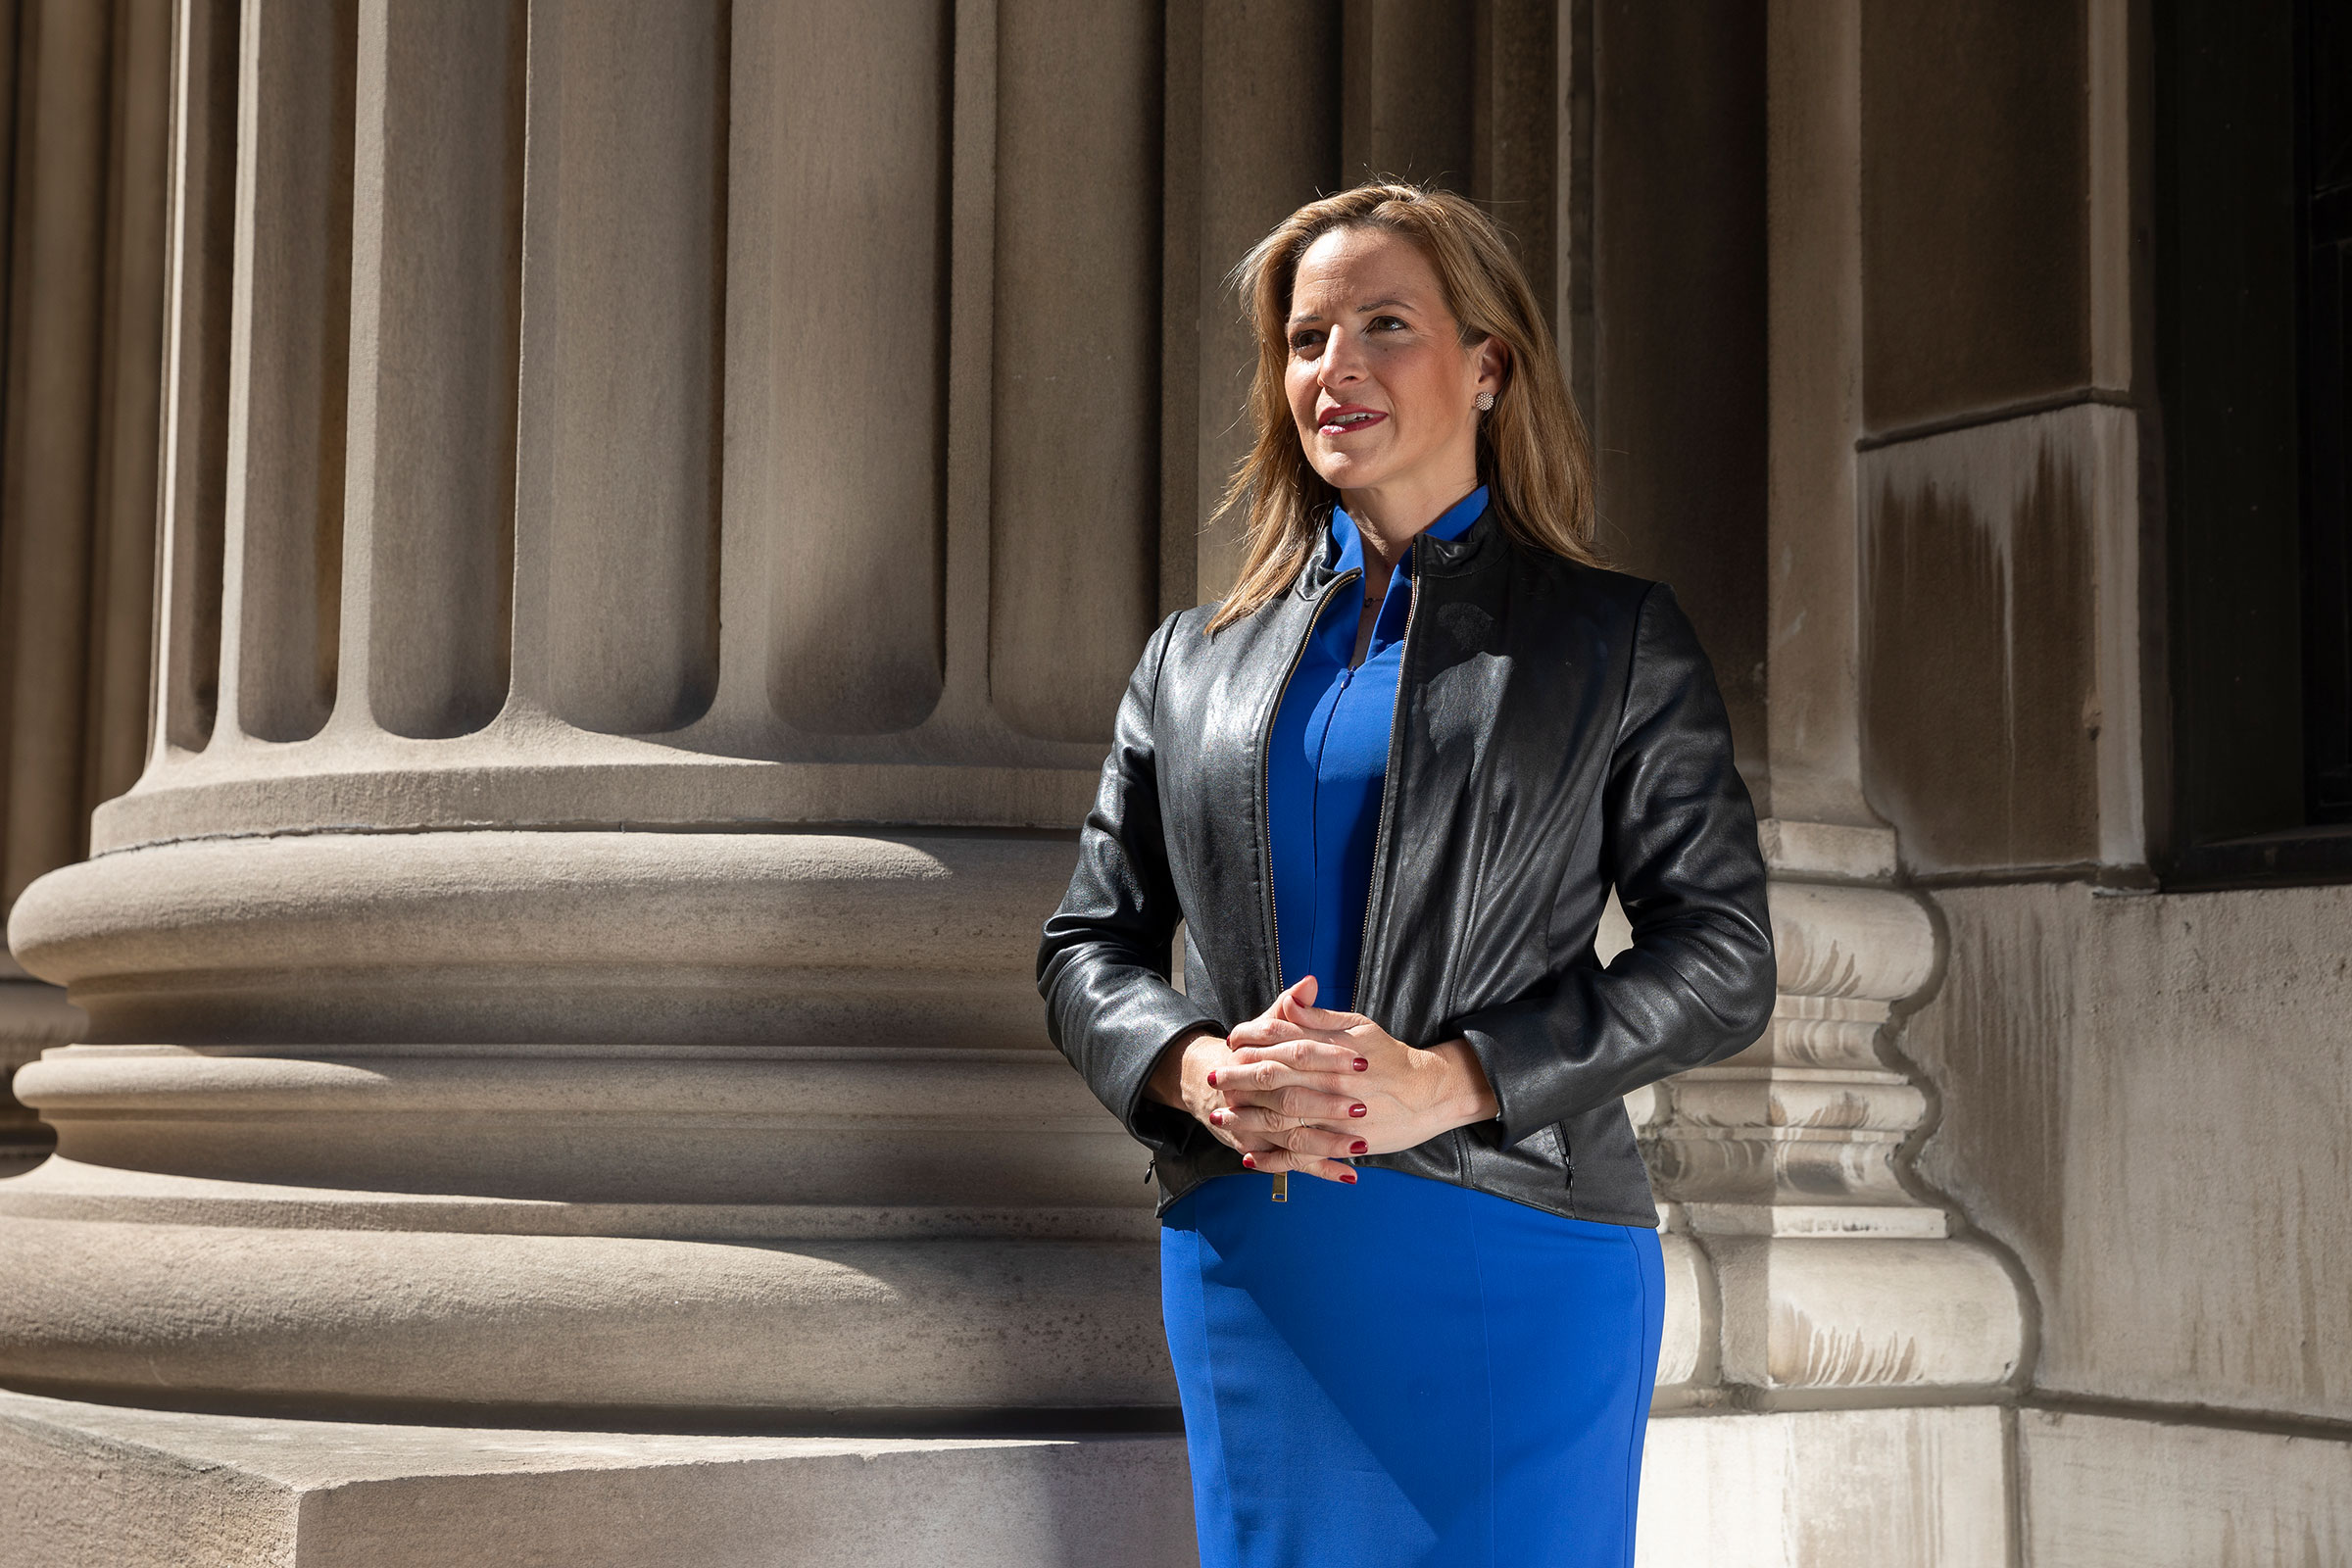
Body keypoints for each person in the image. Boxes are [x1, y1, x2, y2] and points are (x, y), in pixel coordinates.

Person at [1038, 181, 1775, 1568]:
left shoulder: (1611, 640)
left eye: (1388, 324)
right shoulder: (1189, 661)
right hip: (1253, 1248)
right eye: (1309, 338)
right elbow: (1086, 946)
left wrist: (1453, 1079)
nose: (1338, 368)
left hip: (1517, 1245)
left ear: (1490, 366)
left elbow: (1725, 957)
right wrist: (1196, 1072)